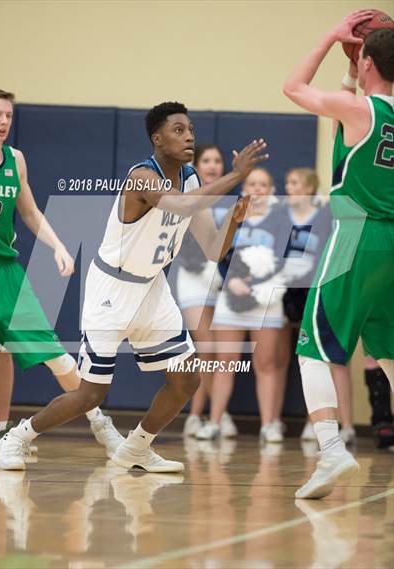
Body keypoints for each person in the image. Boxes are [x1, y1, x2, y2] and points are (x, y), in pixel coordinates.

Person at [0, 101, 268, 472]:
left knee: (187, 377)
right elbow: (180, 207)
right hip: (112, 288)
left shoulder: (190, 179)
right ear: (157, 139)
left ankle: (136, 448)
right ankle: (18, 436)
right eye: (178, 130)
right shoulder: (143, 176)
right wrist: (235, 175)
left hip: (152, 288)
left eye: (191, 130)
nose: (189, 136)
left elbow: (212, 249)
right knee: (92, 393)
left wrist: (233, 223)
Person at [0, 87, 124, 456]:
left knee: (57, 356)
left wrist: (57, 246)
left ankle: (101, 426)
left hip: (7, 272)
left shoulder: (16, 161)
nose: (4, 121)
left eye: (8, 115)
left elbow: (28, 211)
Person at [283, 14, 394, 498]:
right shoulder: (367, 111)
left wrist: (331, 37)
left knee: (313, 348)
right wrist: (352, 72)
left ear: (366, 60)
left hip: (355, 234)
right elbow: (341, 134)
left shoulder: (357, 109)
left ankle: (331, 451)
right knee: (390, 355)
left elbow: (293, 87)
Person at [197, 167, 289, 442]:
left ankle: (269, 425)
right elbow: (218, 254)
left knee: (267, 363)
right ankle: (214, 423)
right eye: (252, 183)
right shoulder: (233, 216)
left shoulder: (283, 218)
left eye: (263, 184)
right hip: (231, 297)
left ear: (271, 190)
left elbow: (288, 259)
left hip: (267, 300)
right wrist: (231, 280)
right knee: (226, 362)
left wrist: (262, 287)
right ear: (244, 188)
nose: (257, 189)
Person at [280, 168, 356, 445]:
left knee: (333, 358)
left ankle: (346, 425)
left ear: (311, 187)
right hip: (290, 294)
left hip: (322, 289)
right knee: (306, 359)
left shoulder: (325, 214)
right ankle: (315, 421)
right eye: (287, 182)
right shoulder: (281, 216)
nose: (289, 187)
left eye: (295, 182)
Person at [176, 144, 237, 438]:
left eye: (218, 160)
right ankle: (219, 414)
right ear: (196, 165)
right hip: (192, 279)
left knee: (209, 352)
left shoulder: (231, 199)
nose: (213, 165)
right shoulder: (191, 197)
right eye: (207, 160)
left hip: (222, 285)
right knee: (208, 348)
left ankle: (196, 415)